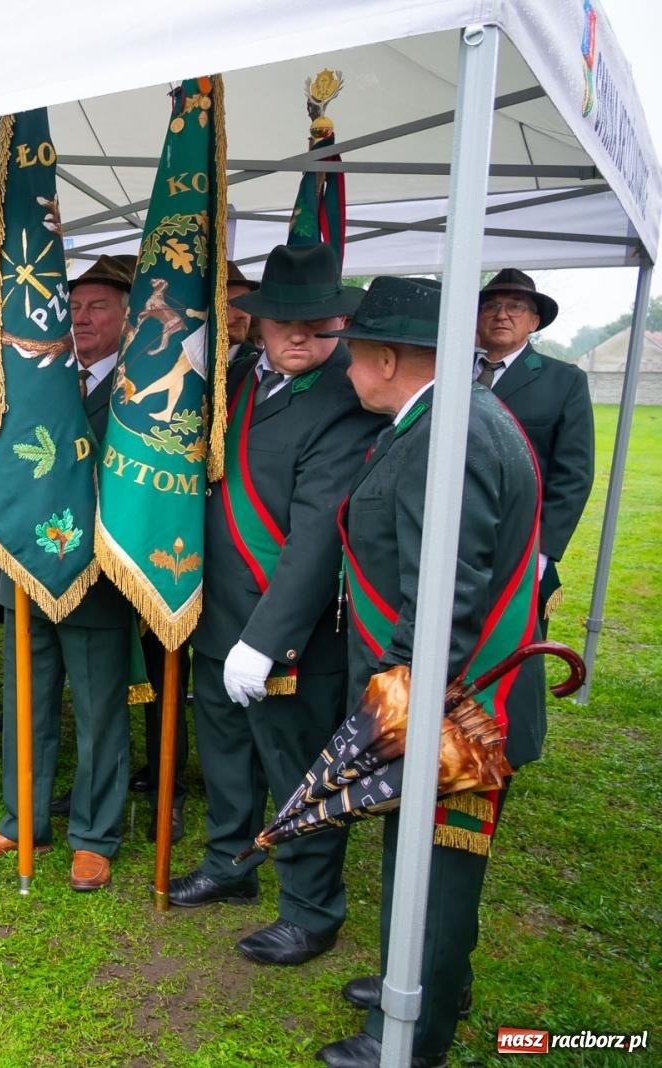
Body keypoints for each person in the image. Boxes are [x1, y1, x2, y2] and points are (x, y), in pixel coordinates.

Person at [315, 275, 546, 1068]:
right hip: (445, 694)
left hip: (457, 707)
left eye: (352, 354)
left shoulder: (452, 436)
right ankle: (415, 979)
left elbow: (445, 597)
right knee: (419, 859)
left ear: (385, 359)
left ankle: (412, 1035)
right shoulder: (445, 419)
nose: (346, 370)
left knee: (439, 869)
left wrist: (392, 709)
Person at [169, 243, 383, 968]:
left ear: (340, 322)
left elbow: (318, 535)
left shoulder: (348, 399)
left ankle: (310, 910)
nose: (299, 334)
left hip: (290, 628)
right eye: (282, 319)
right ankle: (231, 863)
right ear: (255, 322)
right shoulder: (233, 380)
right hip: (214, 610)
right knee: (225, 753)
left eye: (317, 321)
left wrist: (267, 640)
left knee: (299, 770)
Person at [0, 254, 151, 890]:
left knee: (98, 717)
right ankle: (23, 821)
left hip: (97, 578)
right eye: (74, 306)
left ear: (127, 317)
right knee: (26, 708)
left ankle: (94, 837)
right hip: (26, 570)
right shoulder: (38, 378)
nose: (83, 317)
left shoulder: (140, 389)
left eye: (99, 306)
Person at [474, 269, 595, 621]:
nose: (502, 315)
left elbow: (572, 475)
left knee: (511, 643)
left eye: (516, 306)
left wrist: (540, 553)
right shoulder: (445, 372)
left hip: (519, 542)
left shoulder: (564, 381)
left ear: (534, 321)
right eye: (491, 306)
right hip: (448, 537)